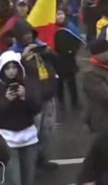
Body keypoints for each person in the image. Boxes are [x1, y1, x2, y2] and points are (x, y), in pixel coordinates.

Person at [10, 20, 59, 171]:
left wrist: (47, 52)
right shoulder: (14, 53)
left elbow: (57, 61)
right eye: (24, 34)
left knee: (47, 129)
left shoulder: (40, 45)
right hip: (32, 98)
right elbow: (11, 74)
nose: (28, 37)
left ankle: (41, 158)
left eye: (29, 33)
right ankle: (30, 163)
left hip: (47, 93)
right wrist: (23, 59)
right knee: (34, 131)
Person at [0, 51, 41, 185]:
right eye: (7, 68)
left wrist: (24, 98)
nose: (11, 71)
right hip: (7, 138)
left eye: (14, 67)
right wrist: (6, 100)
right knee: (14, 179)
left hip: (29, 136)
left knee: (29, 177)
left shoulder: (27, 84)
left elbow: (37, 108)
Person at [82, 40, 108, 133]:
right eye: (107, 50)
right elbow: (106, 95)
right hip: (104, 117)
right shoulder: (90, 73)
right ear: (98, 53)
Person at [54, 9, 83, 109]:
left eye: (61, 14)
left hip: (69, 59)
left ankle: (75, 102)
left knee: (72, 81)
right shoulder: (52, 28)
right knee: (59, 82)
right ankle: (60, 102)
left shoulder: (70, 27)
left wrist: (73, 50)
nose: (60, 16)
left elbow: (78, 39)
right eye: (57, 14)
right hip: (57, 59)